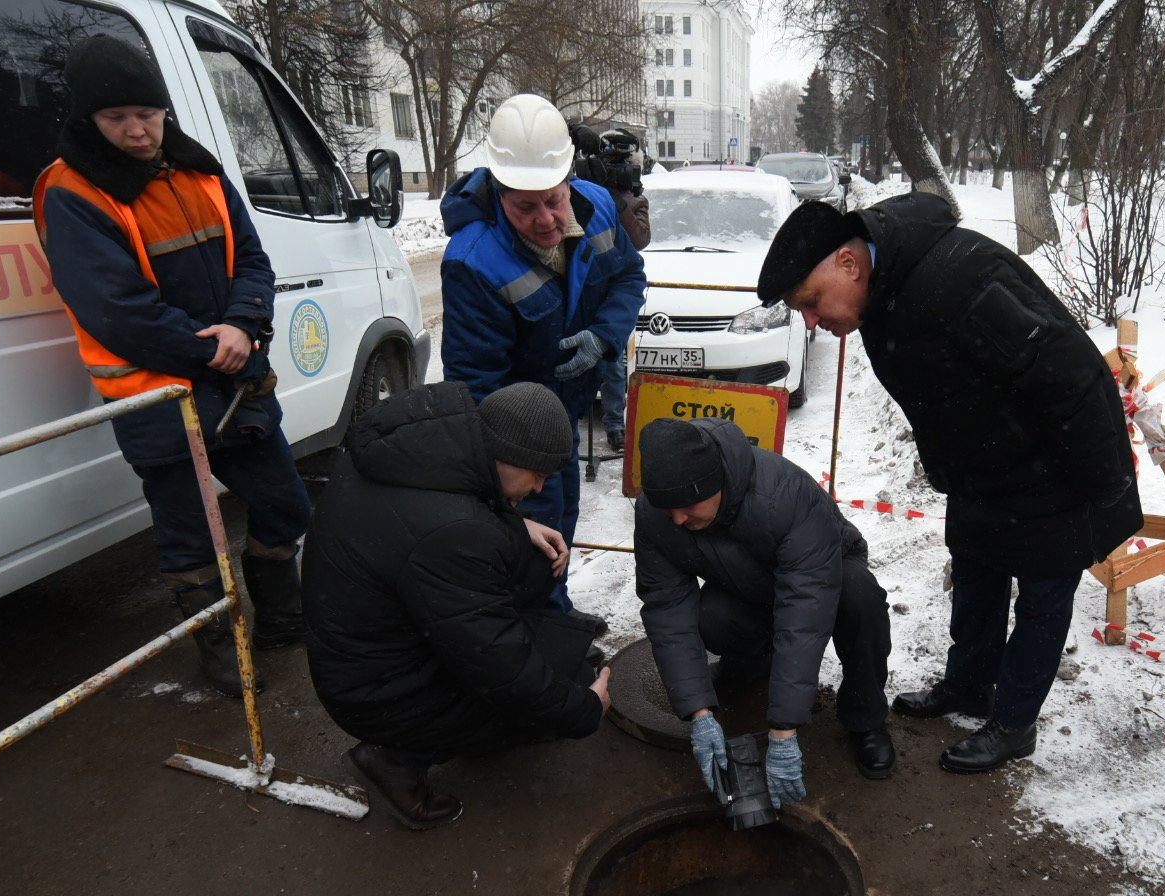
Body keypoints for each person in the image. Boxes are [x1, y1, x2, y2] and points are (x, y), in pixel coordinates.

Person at [757, 195, 1142, 774]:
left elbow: (1068, 375)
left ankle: (1014, 724)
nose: (812, 322)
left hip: (1051, 465)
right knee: (977, 573)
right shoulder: (881, 297)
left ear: (848, 263)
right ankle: (968, 685)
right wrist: (946, 465)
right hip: (983, 469)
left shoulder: (960, 276)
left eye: (811, 302)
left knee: (1041, 596)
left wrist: (1104, 484)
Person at [34, 34, 309, 697]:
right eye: (116, 119)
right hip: (160, 396)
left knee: (284, 506)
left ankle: (280, 624)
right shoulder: (70, 190)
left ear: (164, 110)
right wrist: (211, 345)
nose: (135, 132)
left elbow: (252, 260)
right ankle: (222, 658)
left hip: (235, 384)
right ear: (88, 120)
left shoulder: (199, 168)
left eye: (146, 115)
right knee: (191, 540)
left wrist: (243, 324)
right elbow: (117, 311)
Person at [301, 382, 613, 830]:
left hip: (365, 647)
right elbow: (499, 670)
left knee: (531, 561)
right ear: (505, 455)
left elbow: (433, 529)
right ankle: (395, 759)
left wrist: (515, 526)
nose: (542, 486)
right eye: (537, 474)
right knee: (565, 690)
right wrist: (580, 710)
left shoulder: (415, 455)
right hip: (379, 693)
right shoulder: (450, 532)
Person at [440, 93, 647, 615]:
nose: (547, 219)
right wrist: (505, 473)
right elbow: (474, 381)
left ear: (568, 179)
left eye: (554, 200)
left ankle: (556, 610)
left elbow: (628, 276)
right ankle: (541, 631)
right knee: (531, 538)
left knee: (564, 519)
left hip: (566, 413)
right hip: (516, 435)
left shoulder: (597, 206)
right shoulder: (474, 261)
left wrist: (604, 334)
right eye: (525, 207)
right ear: (498, 191)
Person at [634, 418, 895, 804]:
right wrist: (698, 714)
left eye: (686, 506)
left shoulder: (784, 495)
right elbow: (667, 607)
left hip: (829, 571)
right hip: (749, 582)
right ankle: (753, 662)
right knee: (710, 615)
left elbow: (804, 610)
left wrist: (783, 731)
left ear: (716, 483)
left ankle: (865, 717)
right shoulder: (659, 514)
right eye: (666, 507)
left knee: (861, 600)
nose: (676, 519)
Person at [570, 124, 653, 454]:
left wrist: (614, 200)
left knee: (613, 365)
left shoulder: (635, 198)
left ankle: (616, 424)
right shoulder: (583, 191)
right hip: (580, 290)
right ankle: (571, 421)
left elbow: (640, 240)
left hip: (610, 296)